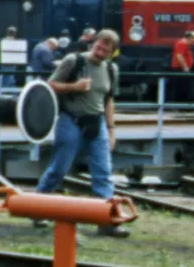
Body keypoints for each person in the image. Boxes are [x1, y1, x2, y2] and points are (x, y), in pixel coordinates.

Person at [36, 29, 128, 237]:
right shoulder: (73, 60)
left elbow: (109, 100)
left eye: (106, 47)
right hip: (71, 120)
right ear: (93, 43)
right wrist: (74, 87)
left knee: (103, 172)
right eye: (99, 44)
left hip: (97, 123)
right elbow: (49, 85)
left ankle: (106, 221)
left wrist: (111, 129)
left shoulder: (111, 69)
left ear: (112, 52)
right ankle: (38, 209)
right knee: (59, 169)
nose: (100, 48)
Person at [169, 30, 194, 106]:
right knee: (182, 87)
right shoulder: (182, 44)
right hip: (180, 69)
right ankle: (181, 105)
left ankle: (183, 105)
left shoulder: (184, 44)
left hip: (182, 69)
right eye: (193, 38)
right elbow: (179, 56)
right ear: (189, 38)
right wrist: (185, 67)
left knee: (184, 87)